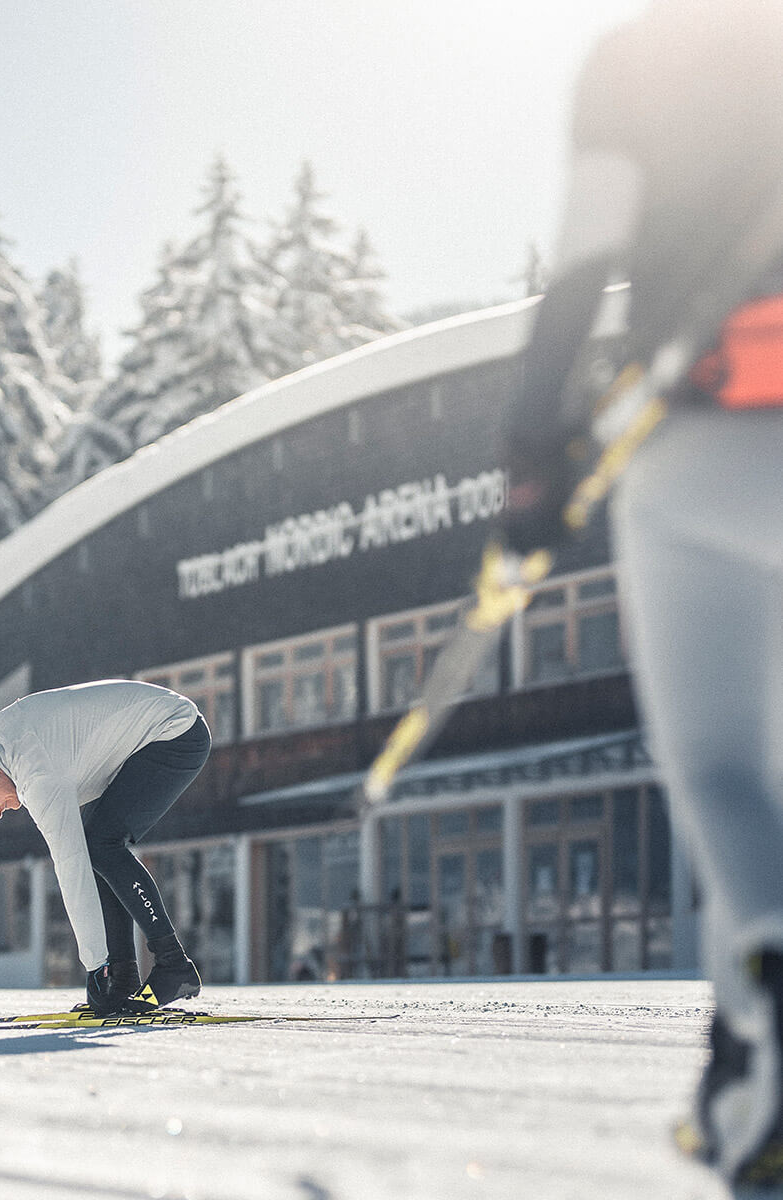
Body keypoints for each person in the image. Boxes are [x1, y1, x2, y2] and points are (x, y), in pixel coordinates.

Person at [501, 1, 783, 1191]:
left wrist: (532, 451)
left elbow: (582, 262)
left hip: (707, 430)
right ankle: (744, 1082)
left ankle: (761, 1028)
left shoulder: (633, 65)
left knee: (723, 774)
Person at [0, 679, 212, 1016]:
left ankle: (172, 964)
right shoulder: (7, 729)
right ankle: (123, 979)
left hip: (175, 733)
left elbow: (71, 870)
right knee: (99, 847)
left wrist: (95, 967)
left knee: (99, 845)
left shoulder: (38, 780)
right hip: (153, 728)